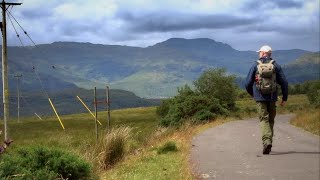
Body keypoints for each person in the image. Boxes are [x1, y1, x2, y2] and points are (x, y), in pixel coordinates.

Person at [245, 45, 288, 155]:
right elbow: (284, 83)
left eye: (260, 52)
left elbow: (247, 83)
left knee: (264, 119)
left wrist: (252, 94)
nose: (259, 54)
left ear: (263, 53)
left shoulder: (255, 65)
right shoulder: (275, 66)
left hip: (259, 97)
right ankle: (268, 141)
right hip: (272, 97)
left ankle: (266, 142)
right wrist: (284, 98)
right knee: (271, 120)